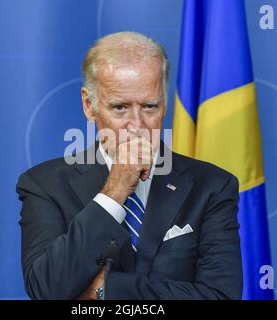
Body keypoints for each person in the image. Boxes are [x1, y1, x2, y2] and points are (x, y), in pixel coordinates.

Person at [17, 31, 242, 300]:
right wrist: (114, 191)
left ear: (165, 103)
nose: (137, 126)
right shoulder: (45, 184)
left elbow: (221, 296)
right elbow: (46, 289)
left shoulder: (212, 186)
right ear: (89, 105)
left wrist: (107, 290)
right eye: (120, 108)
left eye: (149, 106)